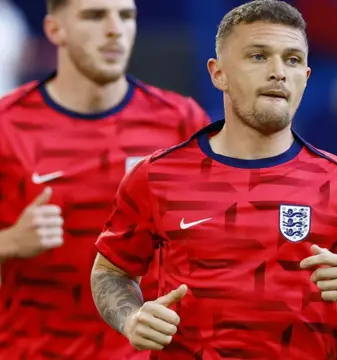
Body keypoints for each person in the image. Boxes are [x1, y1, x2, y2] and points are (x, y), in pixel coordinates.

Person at [90, 1, 337, 359]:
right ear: (218, 73)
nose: (278, 72)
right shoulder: (156, 176)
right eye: (258, 56)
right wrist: (131, 318)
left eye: (293, 59)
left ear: (306, 77)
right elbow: (111, 271)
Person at [0, 0, 210, 358]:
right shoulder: (6, 125)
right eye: (95, 15)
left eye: (126, 16)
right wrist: (10, 243)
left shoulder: (180, 122)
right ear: (54, 30)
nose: (115, 29)